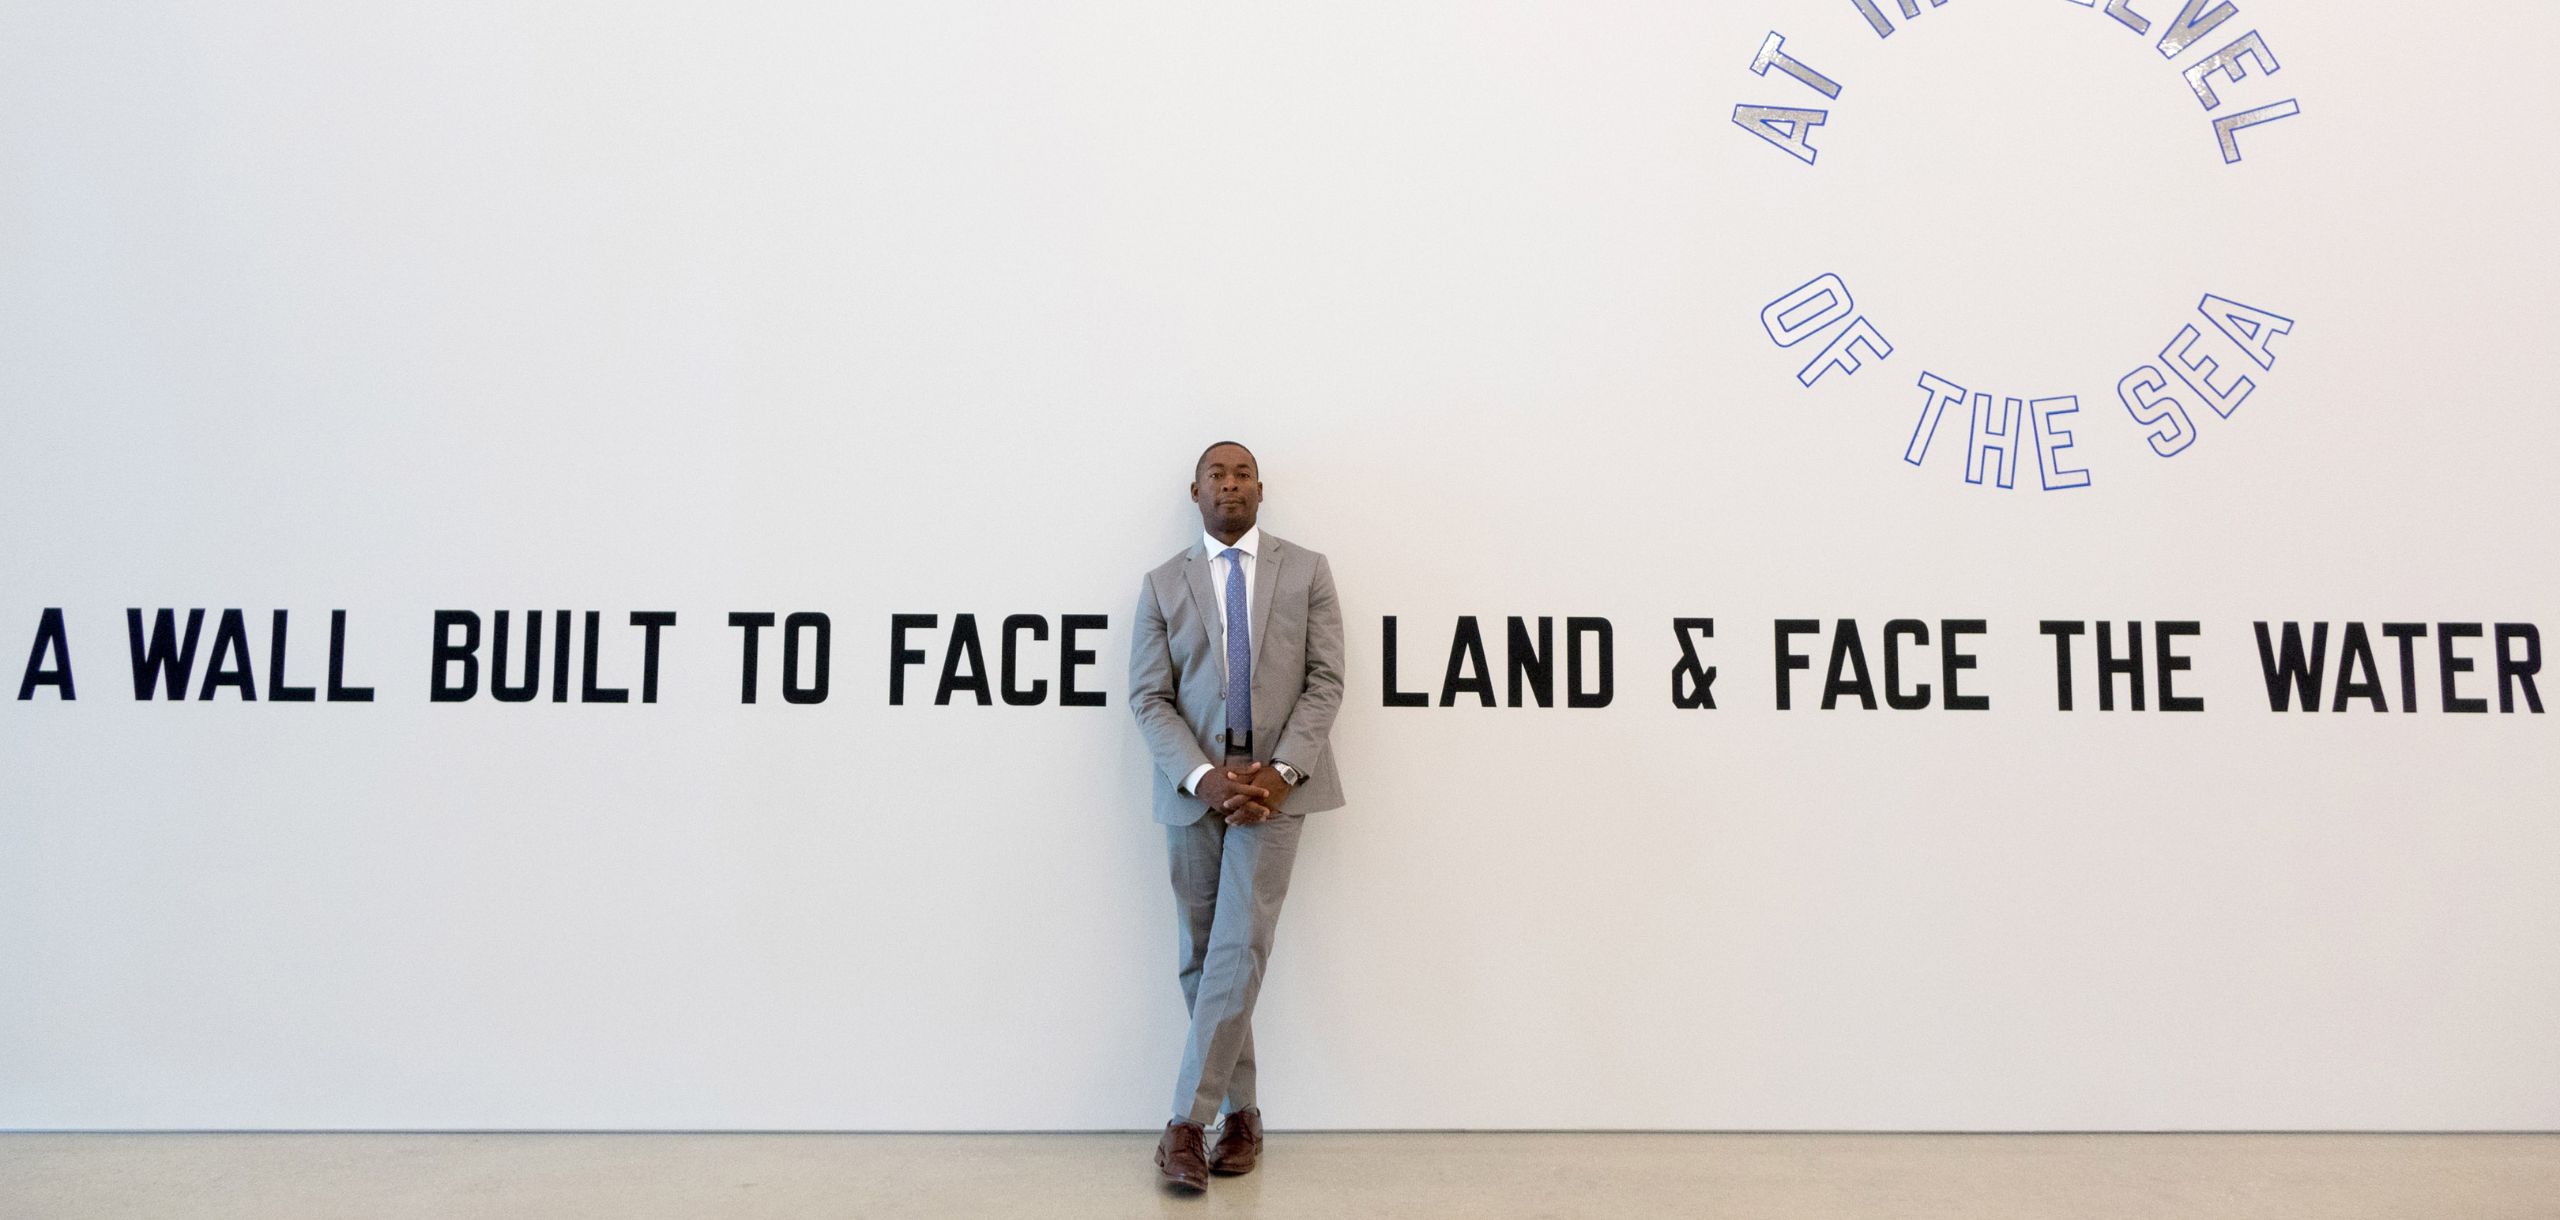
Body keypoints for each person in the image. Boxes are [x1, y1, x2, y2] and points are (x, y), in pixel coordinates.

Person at [1128, 440, 1346, 1192]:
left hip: (1277, 794)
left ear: (1262, 489)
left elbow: (1326, 681)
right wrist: (1202, 777)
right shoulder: (1162, 585)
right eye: (1216, 475)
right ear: (1195, 493)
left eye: (1242, 474)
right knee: (1202, 955)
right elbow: (1148, 697)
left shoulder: (1307, 571)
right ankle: (1244, 1114)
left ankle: (1185, 1124)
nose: (1230, 484)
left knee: (1237, 946)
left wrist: (1281, 774)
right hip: (1196, 793)